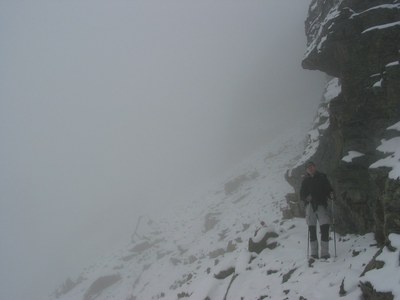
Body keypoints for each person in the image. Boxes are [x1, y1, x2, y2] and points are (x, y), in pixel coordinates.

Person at [300, 161, 333, 259]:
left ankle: (324, 253)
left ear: (315, 167)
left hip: (321, 204)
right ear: (307, 170)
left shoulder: (322, 177)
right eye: (308, 167)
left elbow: (329, 189)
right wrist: (306, 198)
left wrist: (331, 194)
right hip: (310, 206)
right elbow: (301, 195)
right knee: (312, 229)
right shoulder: (305, 181)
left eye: (311, 167)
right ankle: (314, 253)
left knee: (324, 227)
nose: (310, 169)